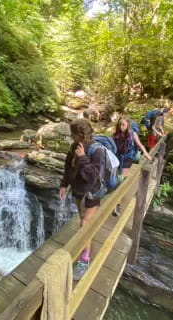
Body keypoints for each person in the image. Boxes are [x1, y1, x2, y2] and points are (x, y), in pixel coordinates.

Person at [59, 119, 105, 281]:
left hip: (92, 193)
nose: (71, 137)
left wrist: (83, 157)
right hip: (78, 192)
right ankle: (86, 243)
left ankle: (85, 259)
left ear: (79, 134)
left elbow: (93, 176)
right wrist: (64, 185)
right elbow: (68, 167)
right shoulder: (74, 147)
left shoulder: (97, 150)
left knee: (84, 224)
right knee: (82, 220)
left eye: (72, 134)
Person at [112, 116, 153, 215]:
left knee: (121, 180)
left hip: (128, 158)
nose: (121, 127)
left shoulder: (132, 133)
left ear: (128, 125)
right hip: (117, 157)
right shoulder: (116, 134)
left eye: (123, 125)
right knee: (116, 178)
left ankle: (117, 204)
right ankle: (116, 199)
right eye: (120, 125)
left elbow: (139, 144)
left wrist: (146, 154)